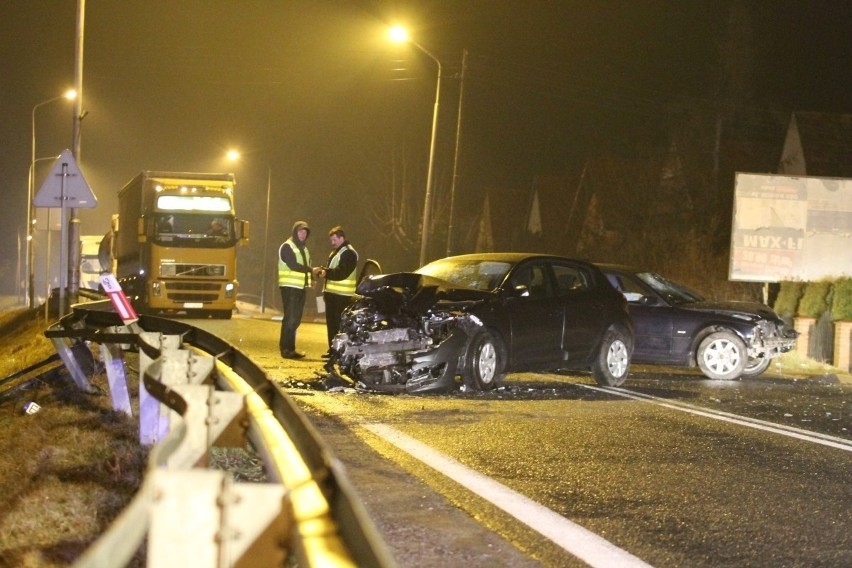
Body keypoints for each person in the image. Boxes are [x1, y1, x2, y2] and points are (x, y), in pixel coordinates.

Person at [313, 226, 359, 357]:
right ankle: (333, 350)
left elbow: (342, 272)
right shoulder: (337, 252)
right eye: (331, 240)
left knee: (338, 325)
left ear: (342, 238)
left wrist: (325, 273)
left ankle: (340, 352)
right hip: (332, 295)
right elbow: (335, 269)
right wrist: (323, 270)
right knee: (332, 324)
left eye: (334, 239)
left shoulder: (349, 253)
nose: (332, 242)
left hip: (341, 296)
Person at [278, 221, 313, 359]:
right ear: (295, 232)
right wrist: (311, 270)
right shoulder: (287, 246)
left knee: (296, 319)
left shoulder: (303, 248)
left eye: (305, 232)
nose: (303, 235)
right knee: (290, 318)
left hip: (299, 288)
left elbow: (305, 265)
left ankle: (290, 348)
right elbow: (293, 265)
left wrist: (311, 279)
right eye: (300, 232)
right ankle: (286, 349)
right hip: (289, 288)